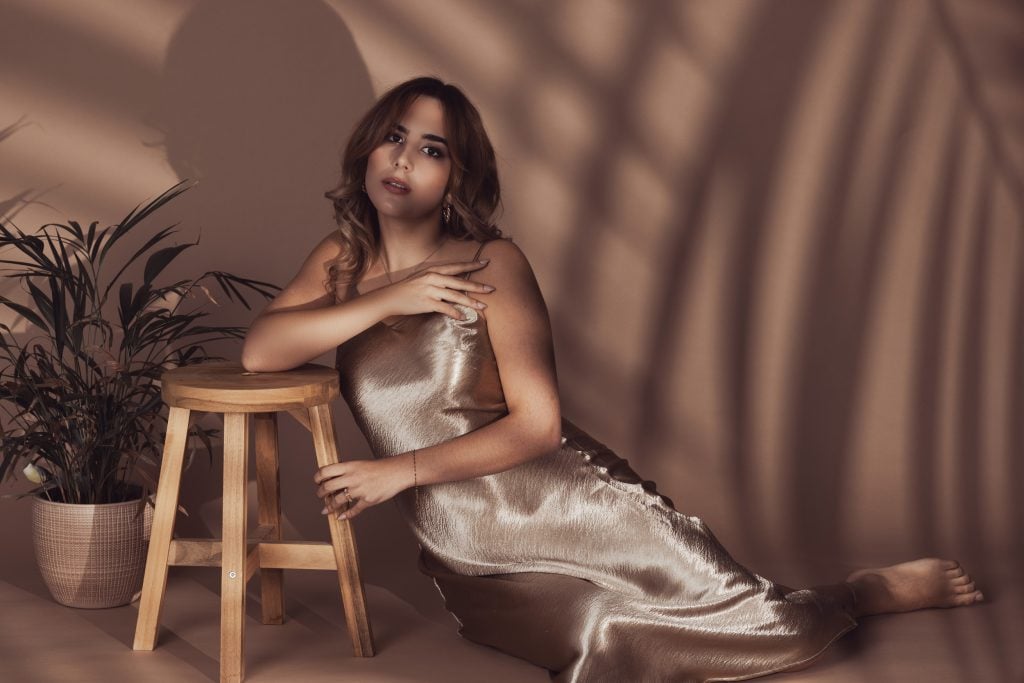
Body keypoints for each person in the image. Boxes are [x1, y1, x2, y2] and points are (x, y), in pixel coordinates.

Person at [240, 76, 984, 682]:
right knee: (601, 633)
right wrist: (392, 297)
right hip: (470, 558)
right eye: (394, 136)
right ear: (368, 146)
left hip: (578, 509)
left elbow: (538, 426)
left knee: (772, 621)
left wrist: (396, 473)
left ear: (456, 176)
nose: (402, 160)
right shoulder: (340, 260)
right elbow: (261, 351)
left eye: (430, 149)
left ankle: (860, 590)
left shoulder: (491, 263)